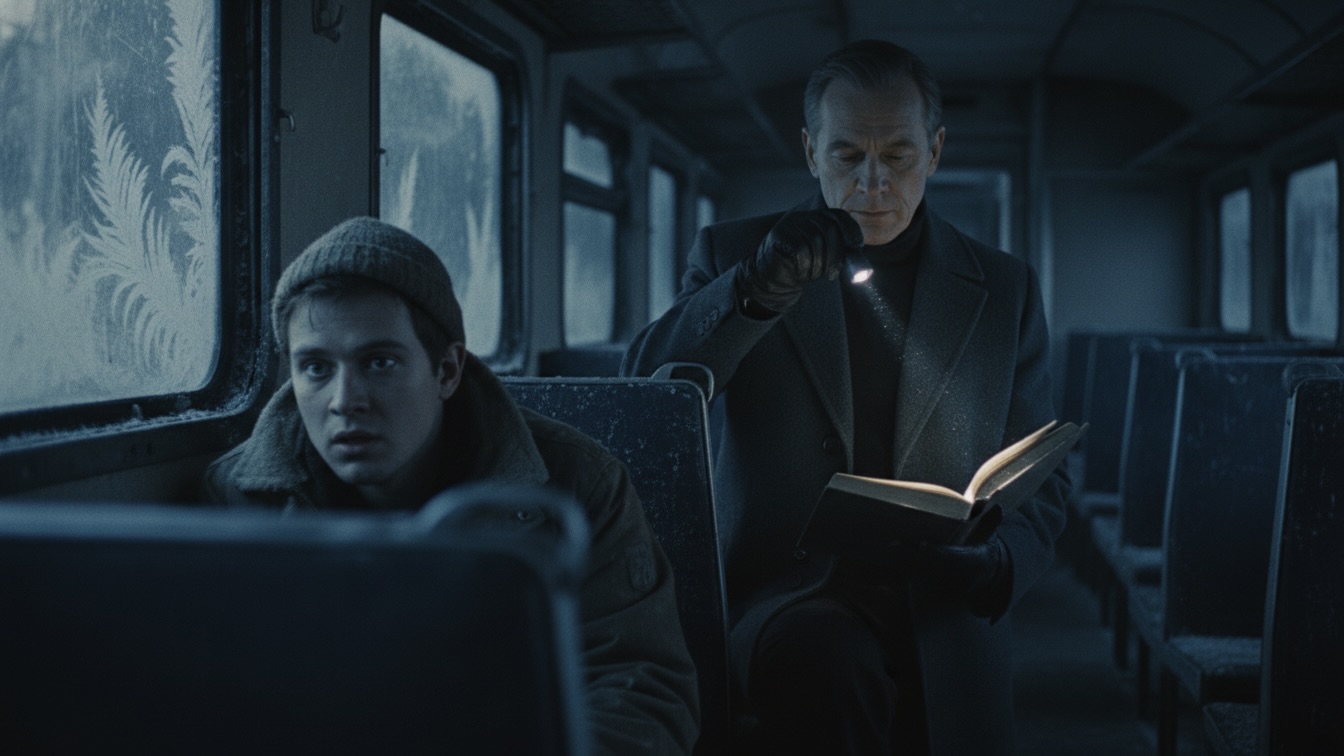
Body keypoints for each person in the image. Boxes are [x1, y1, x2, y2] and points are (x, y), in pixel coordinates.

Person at [622, 40, 1070, 755]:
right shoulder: (733, 254)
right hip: (789, 593)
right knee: (828, 665)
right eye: (846, 156)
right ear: (808, 151)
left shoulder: (1003, 287)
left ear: (936, 151)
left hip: (946, 600)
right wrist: (752, 290)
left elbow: (1042, 483)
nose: (871, 183)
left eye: (896, 156)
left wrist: (998, 564)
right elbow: (647, 395)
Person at [204, 217, 700, 755]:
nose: (345, 400)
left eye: (379, 362)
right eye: (317, 368)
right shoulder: (240, 497)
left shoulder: (576, 485)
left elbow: (639, 689)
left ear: (446, 370)